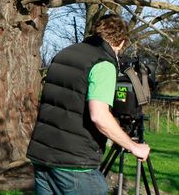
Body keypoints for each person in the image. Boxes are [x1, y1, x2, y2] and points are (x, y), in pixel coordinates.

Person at [27, 14, 150, 194]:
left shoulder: (65, 53)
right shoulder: (103, 63)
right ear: (122, 42)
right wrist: (133, 147)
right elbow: (99, 116)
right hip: (74, 162)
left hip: (42, 154)